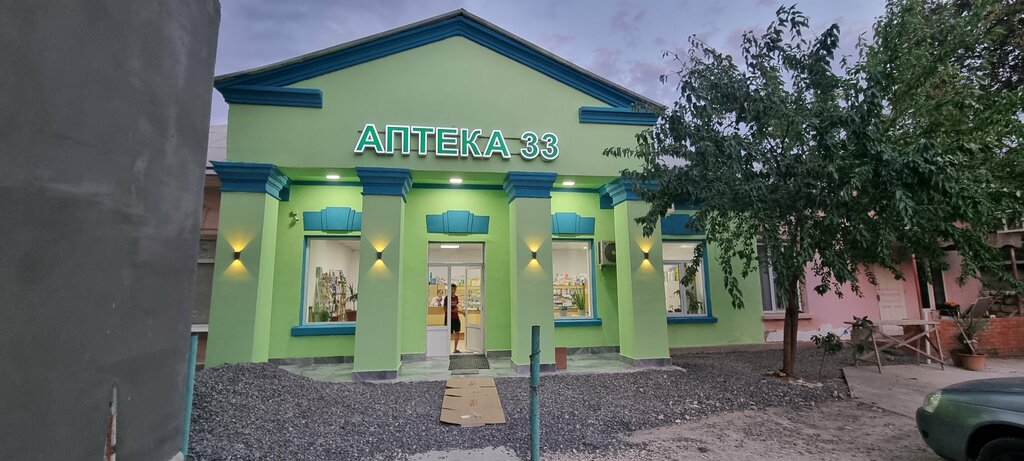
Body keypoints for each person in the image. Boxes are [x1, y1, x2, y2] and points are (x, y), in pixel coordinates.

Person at [449, 283, 462, 353]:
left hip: (456, 318)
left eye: (454, 289)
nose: (453, 290)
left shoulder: (456, 297)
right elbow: (445, 309)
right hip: (449, 318)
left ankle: (455, 349)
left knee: (457, 333)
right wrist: (453, 311)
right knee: (449, 334)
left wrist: (461, 312)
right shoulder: (447, 298)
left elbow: (456, 307)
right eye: (452, 289)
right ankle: (446, 350)